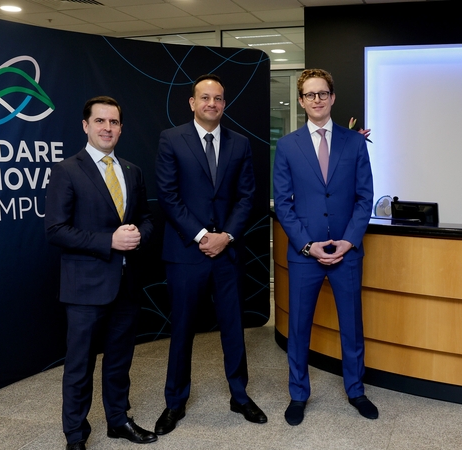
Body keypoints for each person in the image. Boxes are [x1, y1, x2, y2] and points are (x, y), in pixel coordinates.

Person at [154, 73, 264, 434]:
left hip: (227, 253)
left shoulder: (240, 143)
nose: (211, 103)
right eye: (205, 97)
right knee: (182, 329)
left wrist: (226, 236)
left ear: (224, 104)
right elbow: (168, 195)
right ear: (192, 102)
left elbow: (247, 196)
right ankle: (175, 402)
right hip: (187, 252)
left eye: (218, 98)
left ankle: (240, 396)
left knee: (233, 328)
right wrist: (203, 236)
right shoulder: (171, 139)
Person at [45, 96, 156, 450]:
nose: (108, 128)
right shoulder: (67, 170)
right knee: (80, 366)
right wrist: (109, 240)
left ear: (121, 128)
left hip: (126, 284)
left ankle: (118, 420)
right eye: (100, 121)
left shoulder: (132, 171)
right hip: (85, 287)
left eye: (114, 122)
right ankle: (75, 435)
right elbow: (55, 230)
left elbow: (146, 219)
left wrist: (138, 235)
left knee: (120, 361)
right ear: (86, 126)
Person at [273, 69, 377, 426]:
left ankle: (356, 390)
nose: (316, 99)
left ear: (332, 97)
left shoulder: (354, 143)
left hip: (347, 252)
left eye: (322, 93)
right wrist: (307, 245)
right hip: (305, 255)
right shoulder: (288, 146)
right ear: (301, 101)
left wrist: (349, 240)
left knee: (352, 326)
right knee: (299, 328)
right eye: (309, 94)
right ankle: (298, 394)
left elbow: (365, 197)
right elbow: (282, 203)